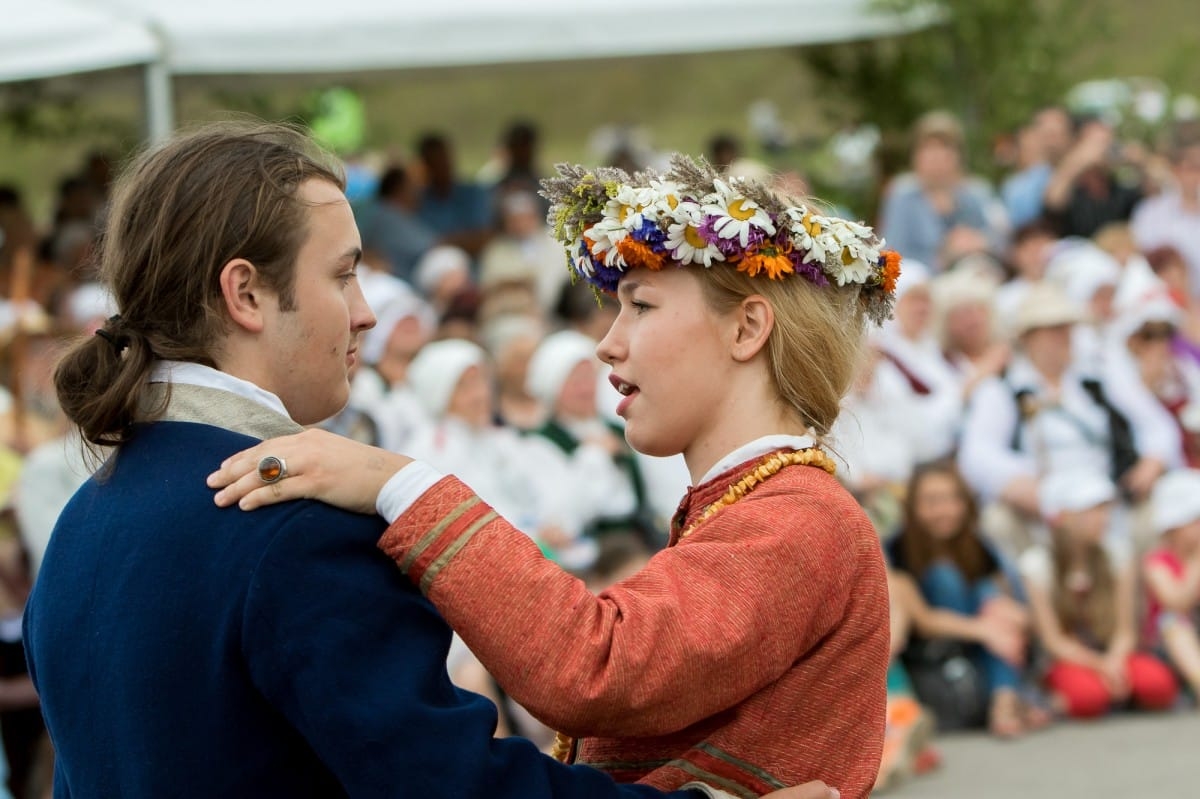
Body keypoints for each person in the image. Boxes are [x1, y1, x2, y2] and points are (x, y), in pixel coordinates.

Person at [25, 123, 832, 799]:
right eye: (344, 274)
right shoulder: (288, 527)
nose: (369, 311)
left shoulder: (80, 524)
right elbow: (453, 787)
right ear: (246, 294)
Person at [210, 155, 897, 797]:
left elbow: (597, 666)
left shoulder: (803, 516)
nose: (608, 341)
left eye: (642, 304)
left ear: (747, 330)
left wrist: (399, 484)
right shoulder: (766, 503)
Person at [886, 462, 1043, 738]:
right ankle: (1008, 699)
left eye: (951, 499)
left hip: (983, 639)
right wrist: (985, 630)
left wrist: (1007, 615)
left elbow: (1009, 602)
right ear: (913, 507)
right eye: (932, 501)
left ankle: (1003, 701)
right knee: (944, 576)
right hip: (937, 648)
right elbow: (924, 621)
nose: (944, 510)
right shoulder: (898, 549)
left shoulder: (978, 544)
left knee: (987, 593)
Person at [1020, 470, 1177, 719]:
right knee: (1087, 699)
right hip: (1070, 659)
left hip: (1113, 650)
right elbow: (1053, 641)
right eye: (1092, 511)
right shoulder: (1037, 565)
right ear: (1062, 517)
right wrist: (1099, 665)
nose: (1103, 519)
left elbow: (1126, 631)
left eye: (1104, 510)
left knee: (1158, 686)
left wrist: (1113, 662)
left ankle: (1112, 691)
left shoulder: (1118, 554)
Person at [1142, 469, 1200, 703]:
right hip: (1166, 649)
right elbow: (1177, 602)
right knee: (1173, 621)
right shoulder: (1157, 562)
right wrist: (1196, 561)